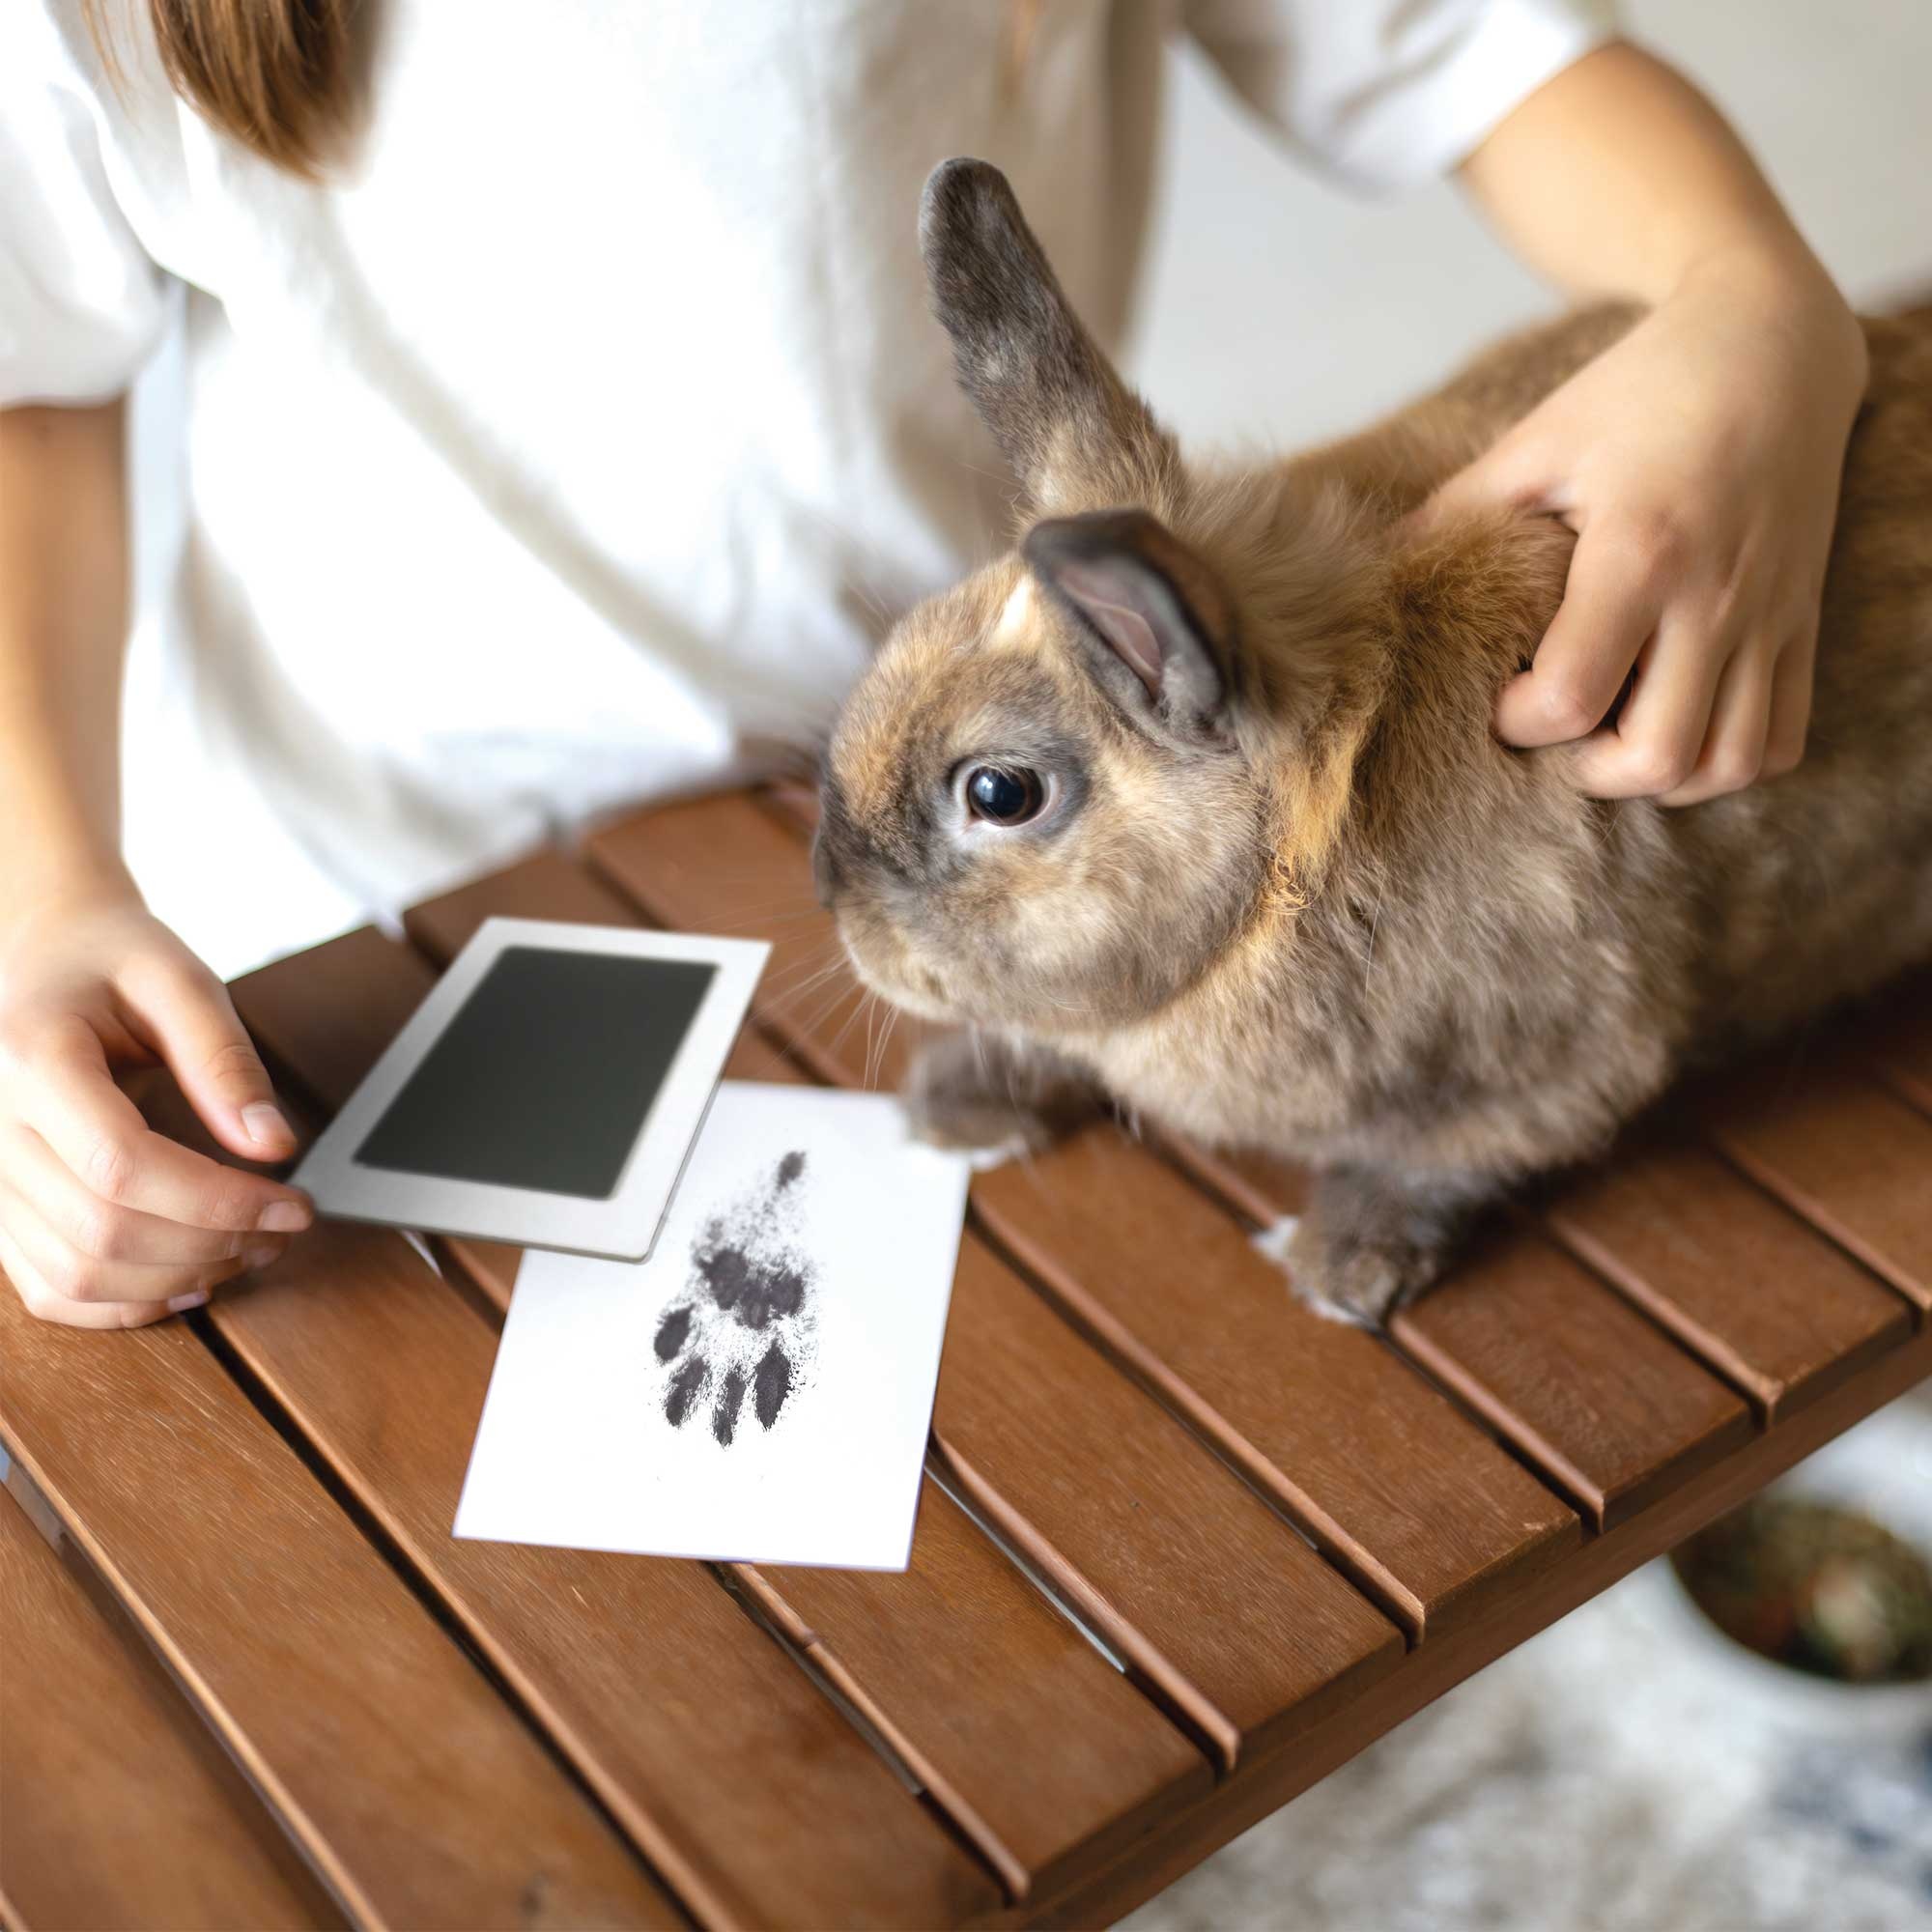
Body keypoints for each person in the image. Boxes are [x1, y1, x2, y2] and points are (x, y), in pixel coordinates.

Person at [0, 1, 1870, 1328]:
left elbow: (1471, 47)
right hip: (339, 875)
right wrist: (45, 894)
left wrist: (1743, 294)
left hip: (941, 813)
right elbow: (32, 388)